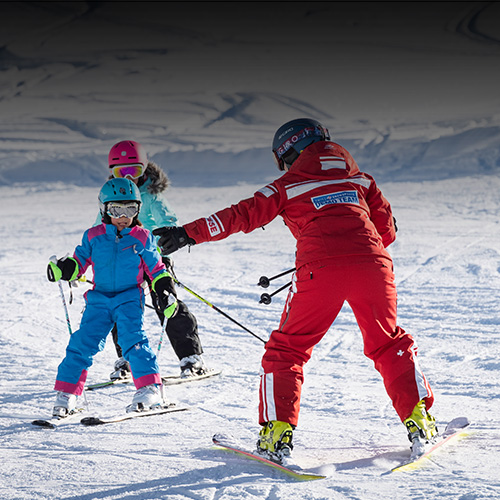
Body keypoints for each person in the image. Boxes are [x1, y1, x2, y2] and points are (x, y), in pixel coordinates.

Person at [153, 118, 438, 463]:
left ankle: (276, 435)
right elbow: (387, 233)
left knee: (287, 349)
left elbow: (242, 214)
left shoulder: (286, 185)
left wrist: (188, 234)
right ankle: (419, 421)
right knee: (388, 343)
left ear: (287, 155)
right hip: (374, 268)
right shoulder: (361, 180)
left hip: (319, 272)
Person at [47, 178, 177, 416]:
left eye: (131, 209)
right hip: (99, 299)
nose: (123, 216)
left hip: (128, 298)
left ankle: (149, 388)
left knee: (133, 341)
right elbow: (79, 263)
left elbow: (156, 269)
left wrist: (165, 289)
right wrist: (64, 269)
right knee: (80, 343)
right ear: (104, 209)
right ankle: (67, 394)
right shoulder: (93, 236)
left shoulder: (142, 237)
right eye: (116, 209)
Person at [104, 140, 207, 381]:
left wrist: (166, 233)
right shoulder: (110, 194)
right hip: (125, 260)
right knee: (122, 307)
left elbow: (167, 216)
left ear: (144, 169)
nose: (129, 177)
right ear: (112, 172)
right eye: (122, 172)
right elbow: (100, 224)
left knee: (166, 302)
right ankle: (128, 358)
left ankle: (191, 357)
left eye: (134, 171)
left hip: (155, 257)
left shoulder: (151, 193)